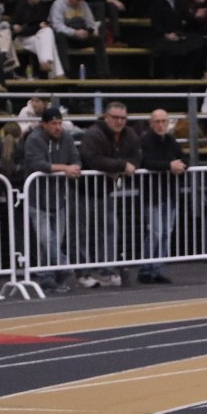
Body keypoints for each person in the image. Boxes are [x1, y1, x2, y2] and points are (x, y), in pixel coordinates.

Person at [77, 100, 140, 287]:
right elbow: (92, 159)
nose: (119, 122)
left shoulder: (129, 134)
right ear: (106, 117)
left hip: (106, 190)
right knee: (81, 233)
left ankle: (108, 270)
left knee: (110, 230)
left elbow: (137, 156)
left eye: (123, 118)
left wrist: (123, 167)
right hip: (82, 190)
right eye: (115, 117)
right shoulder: (93, 134)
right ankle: (83, 273)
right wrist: (120, 166)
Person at [22, 105, 80, 292]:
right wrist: (65, 168)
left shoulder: (66, 138)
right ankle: (65, 267)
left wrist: (75, 167)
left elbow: (76, 158)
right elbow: (37, 163)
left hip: (59, 198)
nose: (58, 127)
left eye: (60, 123)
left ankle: (47, 278)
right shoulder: (34, 139)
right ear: (44, 124)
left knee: (53, 242)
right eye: (54, 124)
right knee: (47, 239)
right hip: (37, 199)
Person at [137, 108, 188, 285]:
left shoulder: (171, 140)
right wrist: (169, 166)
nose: (160, 125)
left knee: (166, 232)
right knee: (156, 232)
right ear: (151, 123)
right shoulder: (145, 141)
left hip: (170, 192)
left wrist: (181, 166)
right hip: (153, 193)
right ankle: (146, 269)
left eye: (164, 121)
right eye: (157, 121)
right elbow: (145, 162)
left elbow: (184, 158)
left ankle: (157, 268)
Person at [49, 0, 109, 79]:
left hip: (81, 34)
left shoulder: (83, 4)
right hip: (67, 37)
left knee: (98, 39)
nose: (80, 2)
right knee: (59, 36)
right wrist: (74, 32)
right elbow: (57, 26)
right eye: (77, 0)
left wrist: (93, 30)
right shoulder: (58, 4)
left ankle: (104, 73)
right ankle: (65, 72)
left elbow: (90, 22)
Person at [149, 0, 203, 79]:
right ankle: (170, 75)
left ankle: (187, 74)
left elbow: (187, 20)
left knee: (197, 42)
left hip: (179, 34)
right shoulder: (157, 4)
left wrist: (196, 16)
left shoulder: (180, 3)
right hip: (164, 36)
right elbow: (155, 25)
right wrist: (167, 35)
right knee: (169, 46)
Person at [11, 0, 65, 78]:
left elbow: (42, 24)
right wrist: (37, 27)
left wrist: (40, 27)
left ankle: (45, 62)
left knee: (48, 31)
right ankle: (57, 73)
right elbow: (20, 31)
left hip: (36, 38)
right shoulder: (20, 8)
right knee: (49, 44)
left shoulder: (41, 7)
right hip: (22, 39)